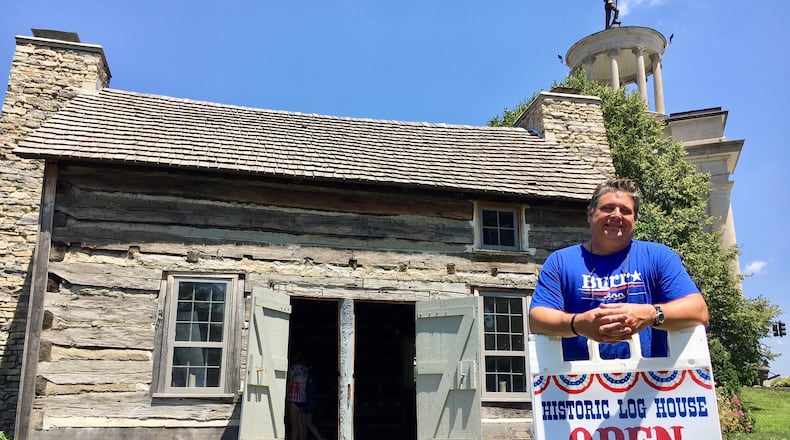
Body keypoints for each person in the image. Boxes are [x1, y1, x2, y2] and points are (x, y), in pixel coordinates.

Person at [528, 178, 709, 361]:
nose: (616, 215)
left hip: (650, 381)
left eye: (625, 211)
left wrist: (649, 314)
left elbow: (698, 311)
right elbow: (537, 319)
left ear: (635, 220)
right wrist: (579, 324)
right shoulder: (560, 262)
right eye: (607, 208)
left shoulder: (658, 257)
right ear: (590, 214)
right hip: (580, 384)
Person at [286, 352, 309, 440]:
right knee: (300, 424)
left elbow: (289, 383)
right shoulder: (305, 369)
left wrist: (286, 396)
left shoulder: (294, 368)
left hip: (293, 398)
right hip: (302, 398)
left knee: (294, 425)